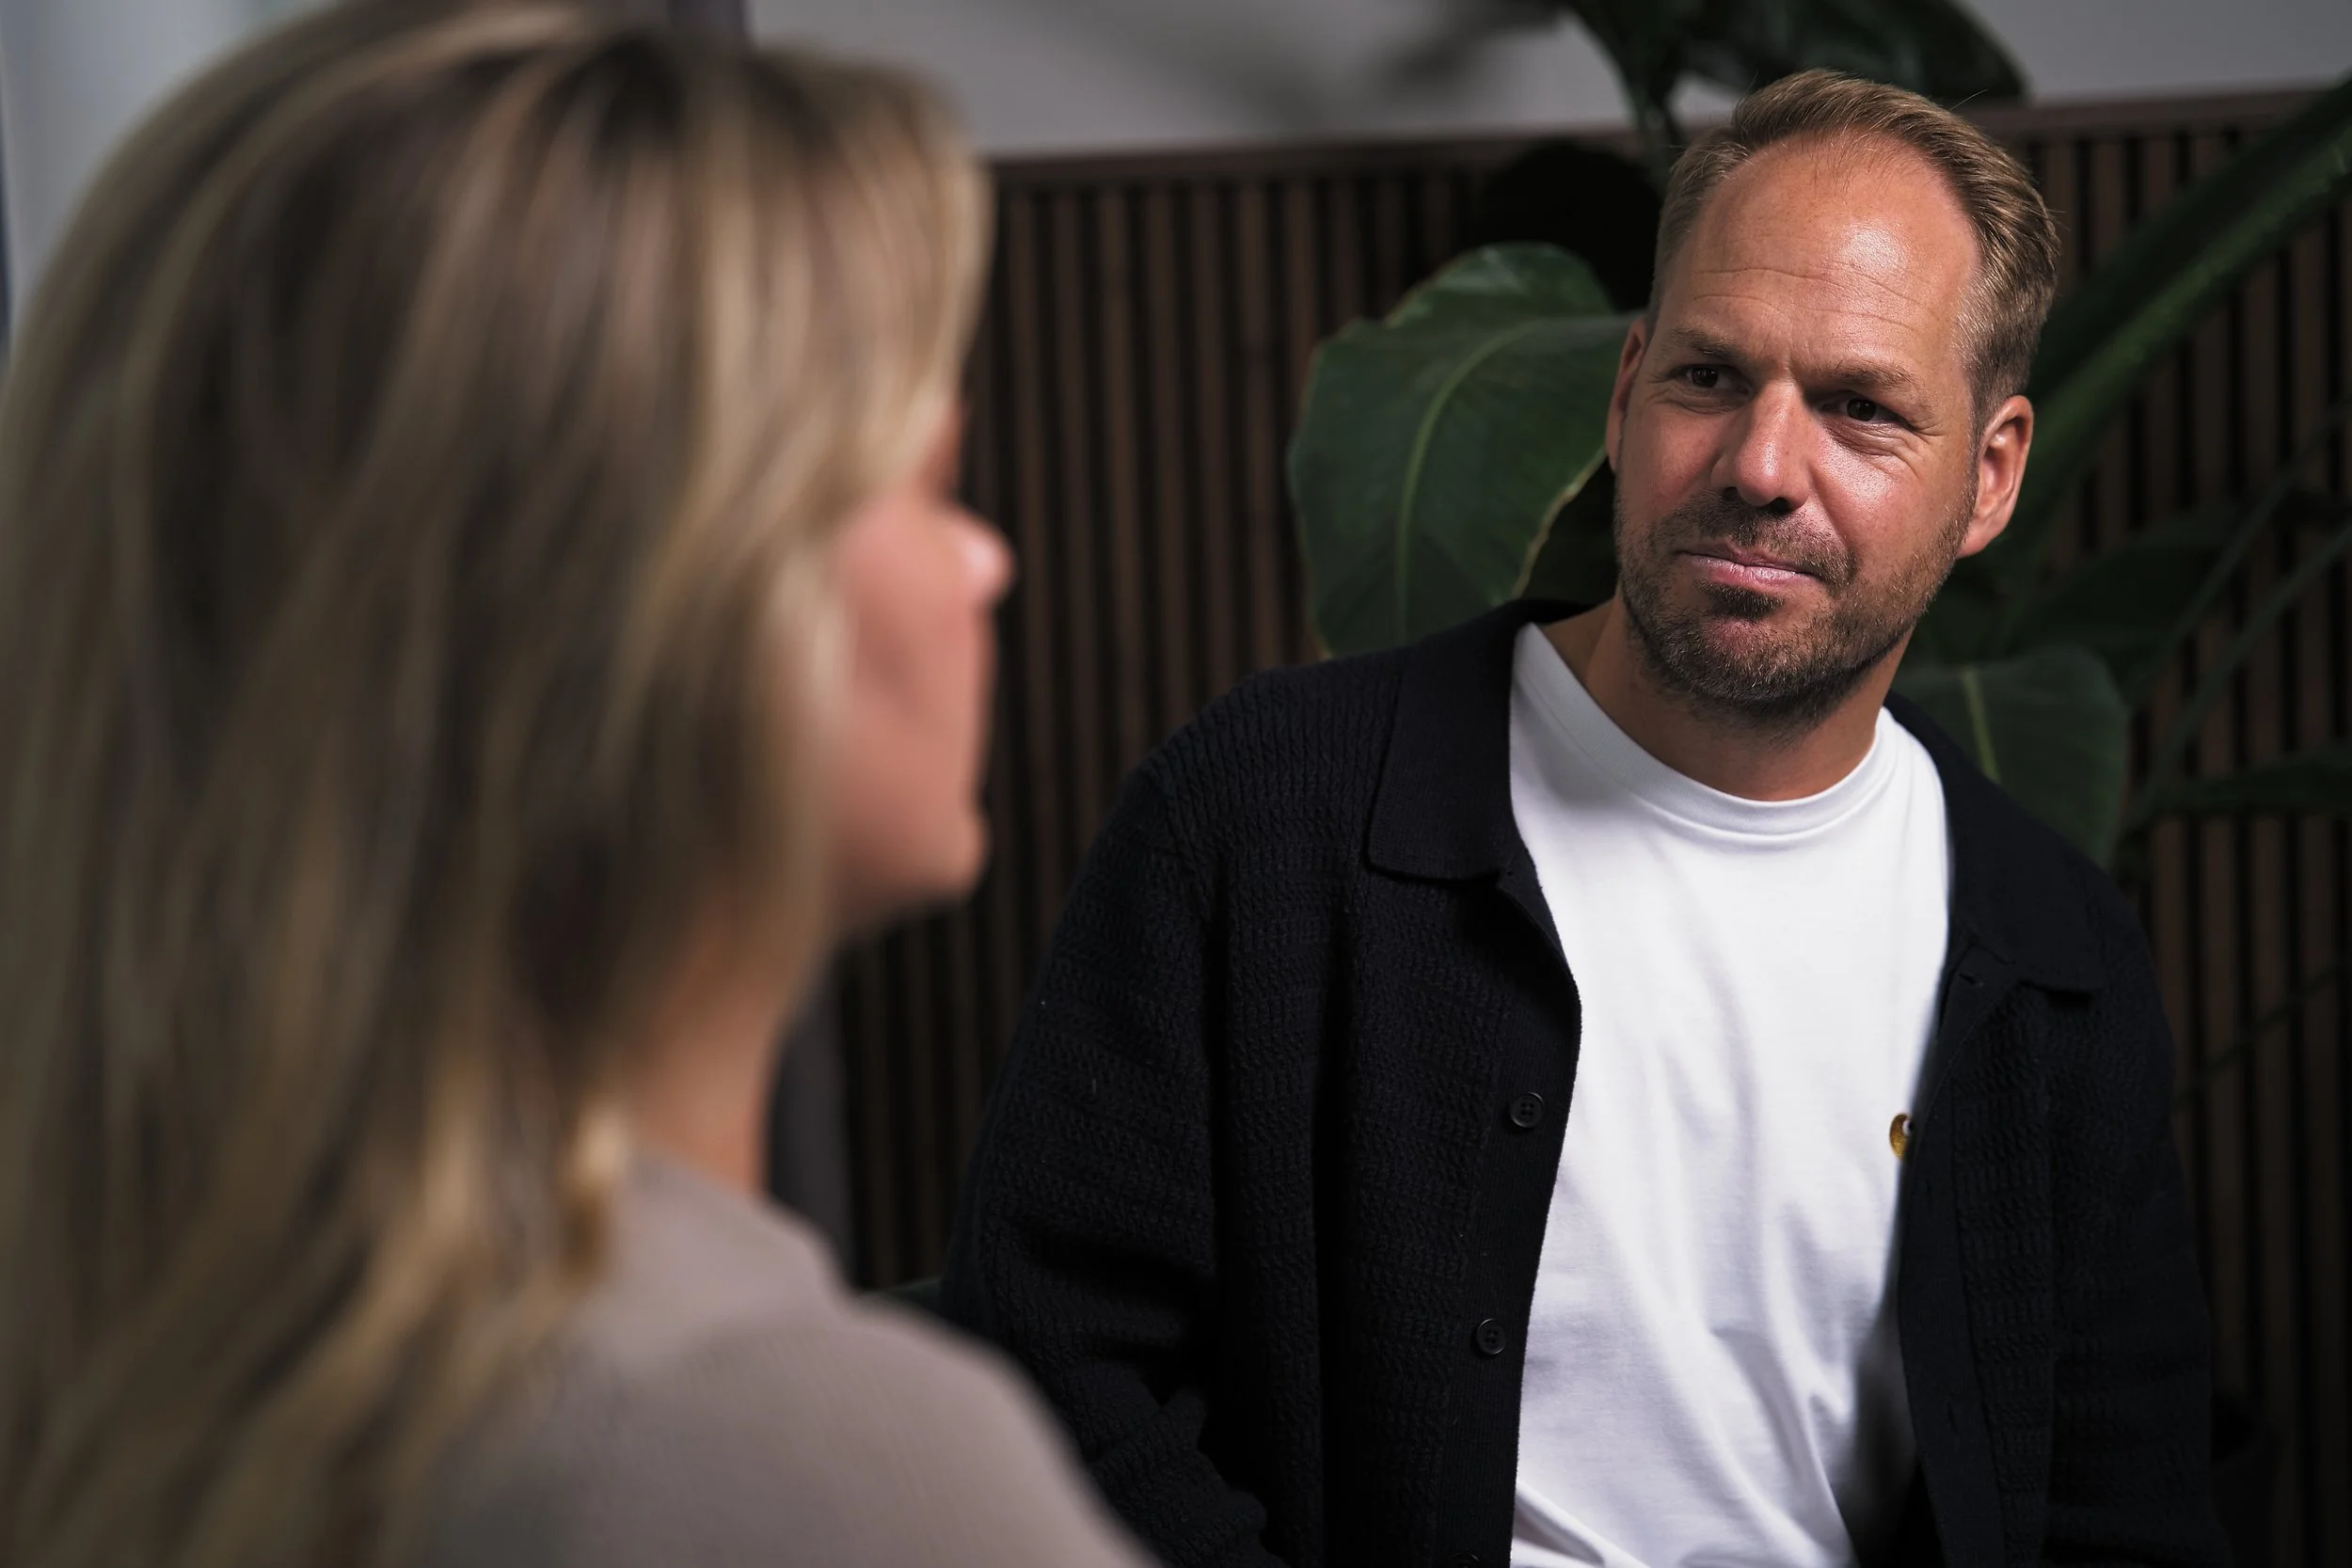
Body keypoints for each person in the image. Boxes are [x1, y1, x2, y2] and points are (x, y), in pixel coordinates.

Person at [942, 70, 2230, 1568]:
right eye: (1708, 377)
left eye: (1861, 409)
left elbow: (2123, 1513)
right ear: (1625, 394)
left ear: (1990, 474)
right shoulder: (1266, 816)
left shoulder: (2051, 949)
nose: (1761, 466)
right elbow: (1049, 1367)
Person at [0, 7, 1154, 1568]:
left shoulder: (160, 1354)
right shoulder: (785, 1456)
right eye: (927, 483)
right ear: (666, 600)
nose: (985, 562)